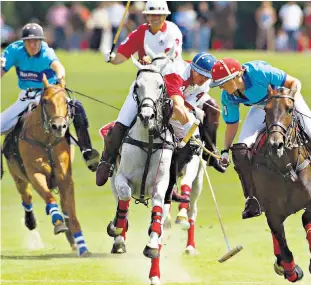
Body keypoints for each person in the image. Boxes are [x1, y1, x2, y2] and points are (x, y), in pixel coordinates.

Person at [209, 58, 311, 220]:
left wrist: (288, 103)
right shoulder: (228, 97)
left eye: (223, 82)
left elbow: (294, 82)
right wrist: (225, 150)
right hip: (261, 107)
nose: (221, 87)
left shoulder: (259, 73)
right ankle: (252, 199)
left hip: (285, 98)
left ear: (236, 76)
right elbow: (232, 124)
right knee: (241, 150)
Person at [96, 0, 223, 186]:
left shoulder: (173, 31)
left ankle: (205, 156)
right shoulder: (139, 33)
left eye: (159, 14)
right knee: (122, 123)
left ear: (165, 15)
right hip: (145, 85)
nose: (155, 18)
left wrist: (153, 59)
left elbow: (172, 58)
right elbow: (122, 55)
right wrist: (112, 58)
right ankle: (106, 162)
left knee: (201, 117)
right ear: (146, 16)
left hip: (170, 84)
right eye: (151, 14)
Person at [1, 23, 99, 171]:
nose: (34, 44)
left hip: (50, 93)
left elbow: (57, 66)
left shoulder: (46, 52)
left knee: (77, 107)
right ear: (23, 42)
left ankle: (87, 151)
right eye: (29, 41)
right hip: (27, 96)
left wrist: (60, 78)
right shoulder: (14, 50)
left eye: (37, 41)